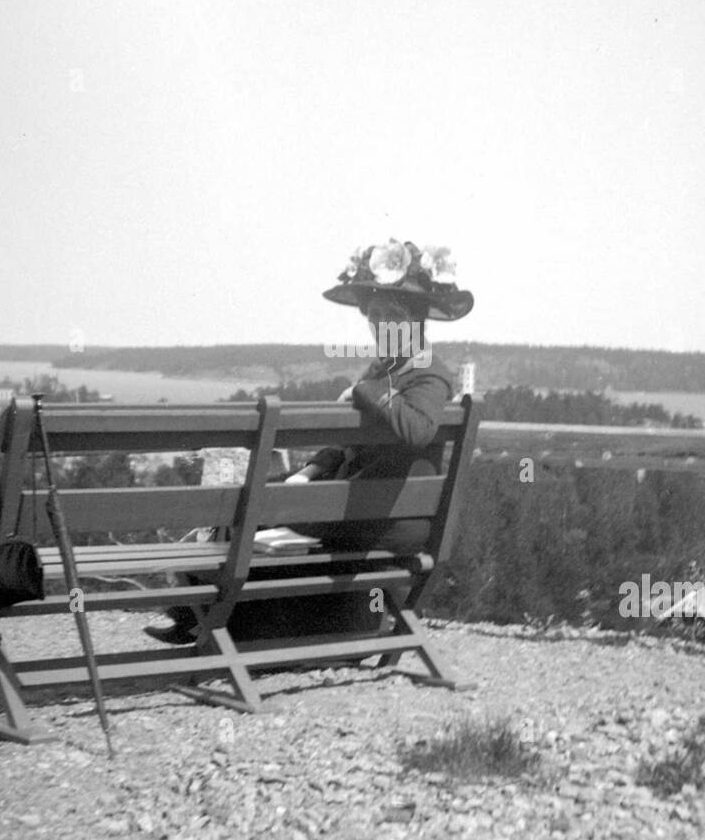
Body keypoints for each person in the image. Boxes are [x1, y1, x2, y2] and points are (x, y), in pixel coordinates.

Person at [144, 239, 473, 643]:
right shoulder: (390, 368)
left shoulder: (427, 373)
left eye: (391, 316)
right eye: (373, 316)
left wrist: (363, 392)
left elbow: (418, 428)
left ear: (417, 322)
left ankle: (214, 623)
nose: (378, 325)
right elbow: (354, 443)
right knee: (253, 501)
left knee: (250, 511)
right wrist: (310, 472)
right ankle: (207, 619)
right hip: (362, 507)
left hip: (385, 520)